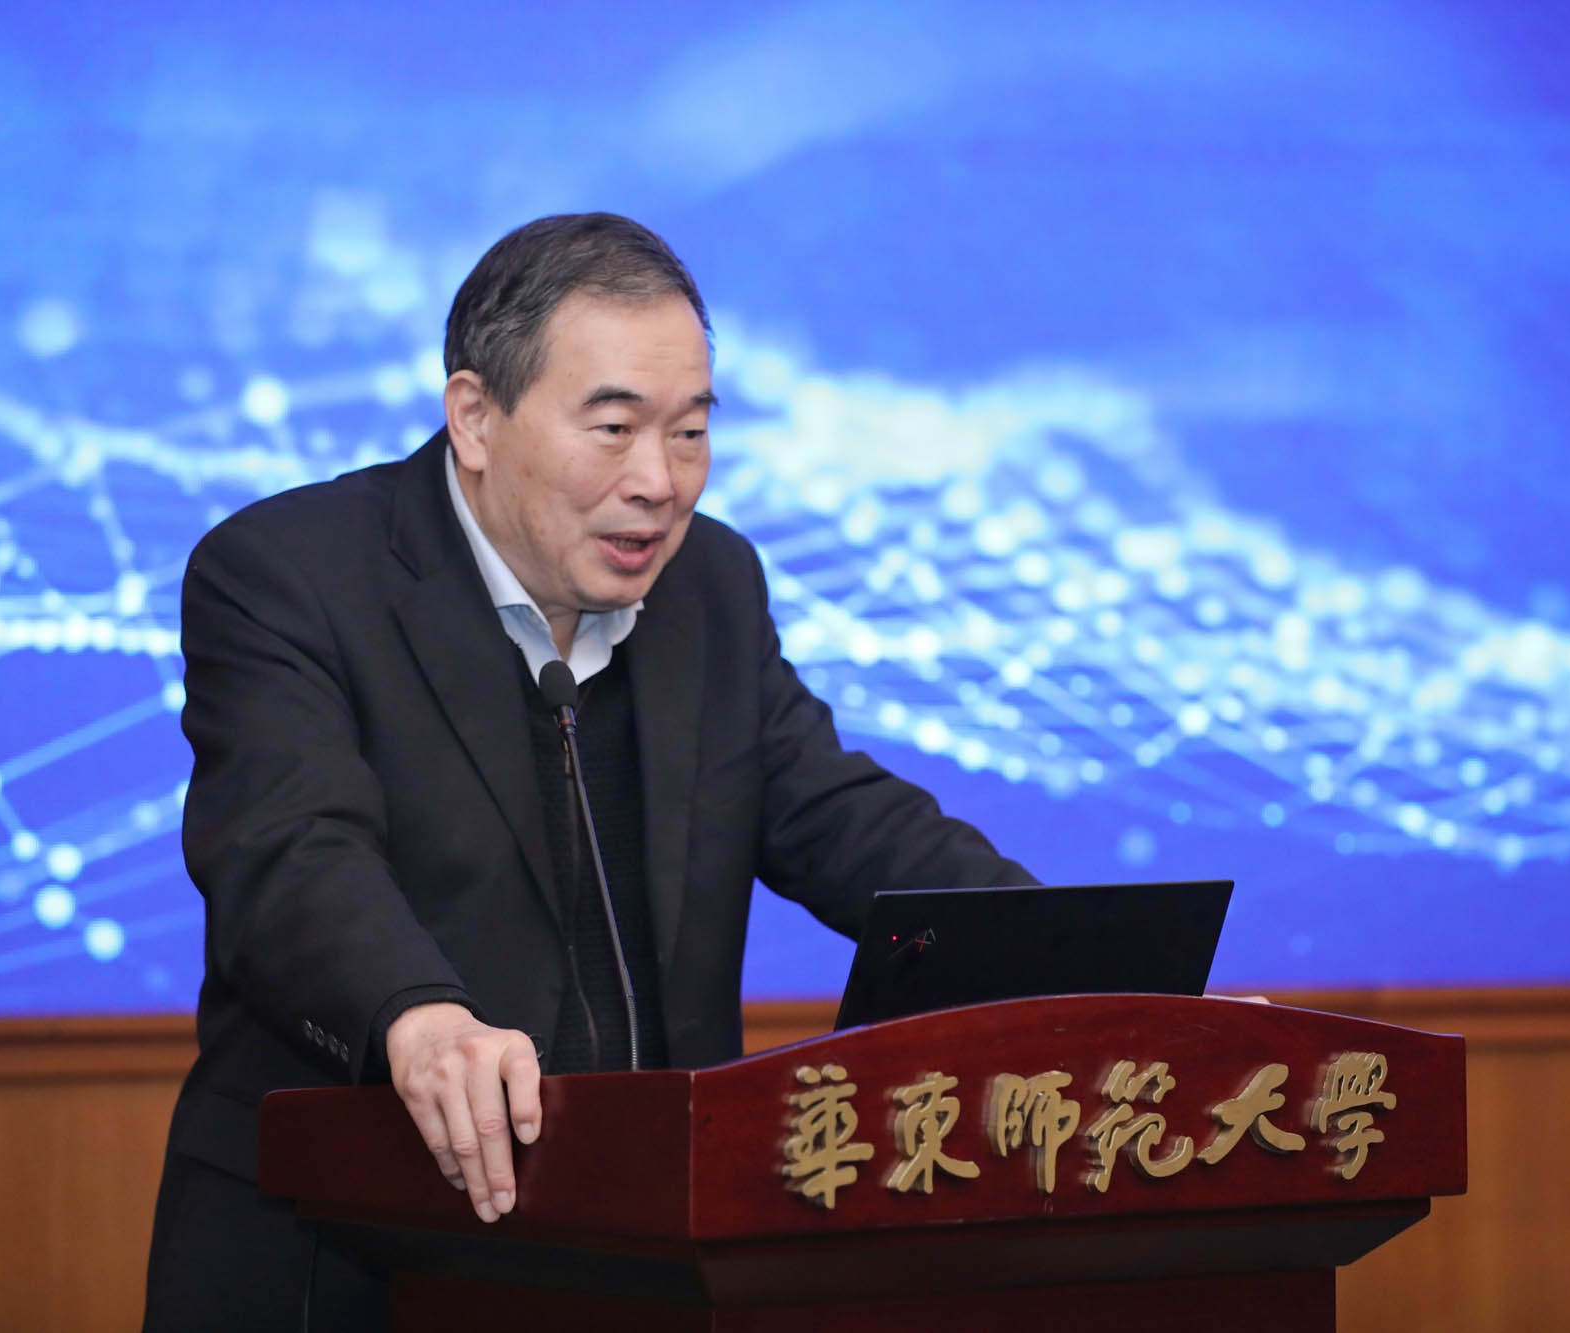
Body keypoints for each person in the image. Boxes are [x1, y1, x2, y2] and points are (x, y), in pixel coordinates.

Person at [142, 213, 1031, 1330]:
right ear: (475, 417)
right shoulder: (290, 574)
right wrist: (420, 1016)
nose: (659, 480)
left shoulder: (710, 584)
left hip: (631, 1248)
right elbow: (291, 849)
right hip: (346, 1256)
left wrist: (1062, 951)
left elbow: (838, 815)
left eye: (690, 432)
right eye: (613, 428)